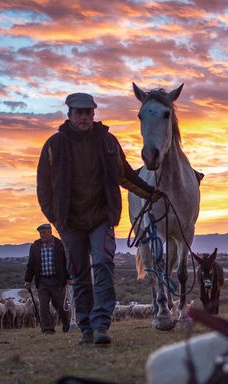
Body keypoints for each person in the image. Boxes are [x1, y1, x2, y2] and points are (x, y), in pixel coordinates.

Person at [37, 92, 163, 345]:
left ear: (94, 114)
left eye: (88, 112)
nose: (84, 117)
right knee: (80, 274)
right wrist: (57, 220)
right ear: (69, 114)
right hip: (70, 223)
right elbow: (44, 189)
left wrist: (150, 194)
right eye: (79, 112)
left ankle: (101, 325)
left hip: (101, 218)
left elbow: (124, 175)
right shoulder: (54, 146)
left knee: (104, 265)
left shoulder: (107, 142)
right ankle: (86, 329)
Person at [25, 223, 70, 334]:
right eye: (40, 233)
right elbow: (31, 264)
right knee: (43, 306)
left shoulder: (60, 244)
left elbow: (67, 262)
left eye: (44, 232)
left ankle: (66, 325)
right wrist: (28, 280)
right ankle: (48, 329)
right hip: (42, 281)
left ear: (50, 232)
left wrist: (69, 277)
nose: (42, 235)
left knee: (60, 305)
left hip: (57, 281)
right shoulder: (35, 246)